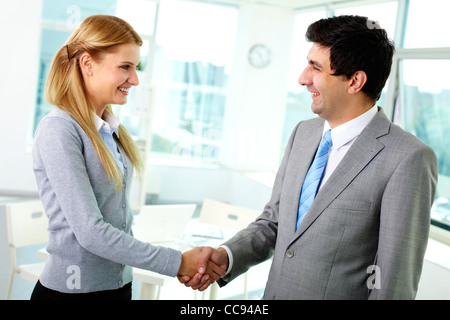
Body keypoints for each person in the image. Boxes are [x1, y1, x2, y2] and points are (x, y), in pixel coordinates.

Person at [180, 15, 438, 299]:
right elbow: (274, 222)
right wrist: (226, 256)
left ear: (355, 81)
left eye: (315, 68)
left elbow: (393, 282)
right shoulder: (303, 134)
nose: (302, 78)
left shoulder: (408, 158)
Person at [31, 14, 224, 300]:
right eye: (125, 67)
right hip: (75, 290)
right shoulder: (59, 130)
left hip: (118, 284)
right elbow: (91, 232)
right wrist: (178, 261)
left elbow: (119, 221)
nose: (134, 79)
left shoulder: (109, 130)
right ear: (87, 64)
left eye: (136, 68)